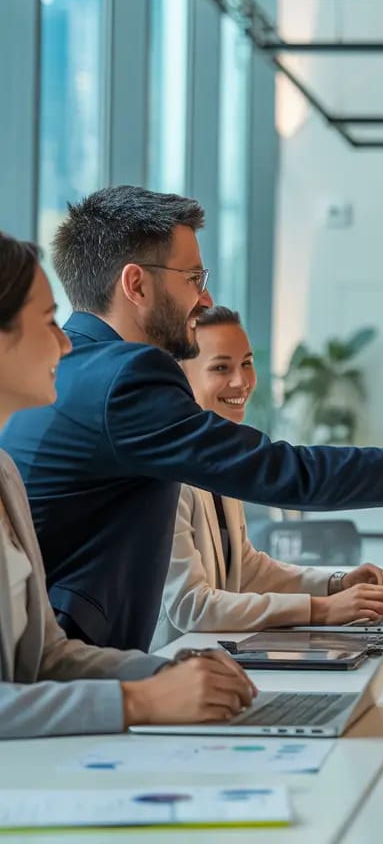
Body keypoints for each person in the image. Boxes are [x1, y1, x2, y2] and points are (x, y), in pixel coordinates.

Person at [0, 187, 383, 652]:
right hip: (71, 674)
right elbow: (288, 474)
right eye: (192, 277)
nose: (205, 296)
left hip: (75, 663)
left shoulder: (79, 371)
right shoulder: (125, 375)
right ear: (136, 285)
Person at [0, 231, 256, 737]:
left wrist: (165, 671)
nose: (66, 341)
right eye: (49, 321)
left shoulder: (5, 473)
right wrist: (138, 699)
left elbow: (46, 655)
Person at [152, 306, 383, 650]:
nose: (241, 381)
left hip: (218, 658)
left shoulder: (223, 459)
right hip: (169, 669)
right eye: (221, 368)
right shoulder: (165, 475)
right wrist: (321, 610)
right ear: (180, 377)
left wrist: (336, 584)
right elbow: (191, 607)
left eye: (246, 363)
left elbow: (245, 569)